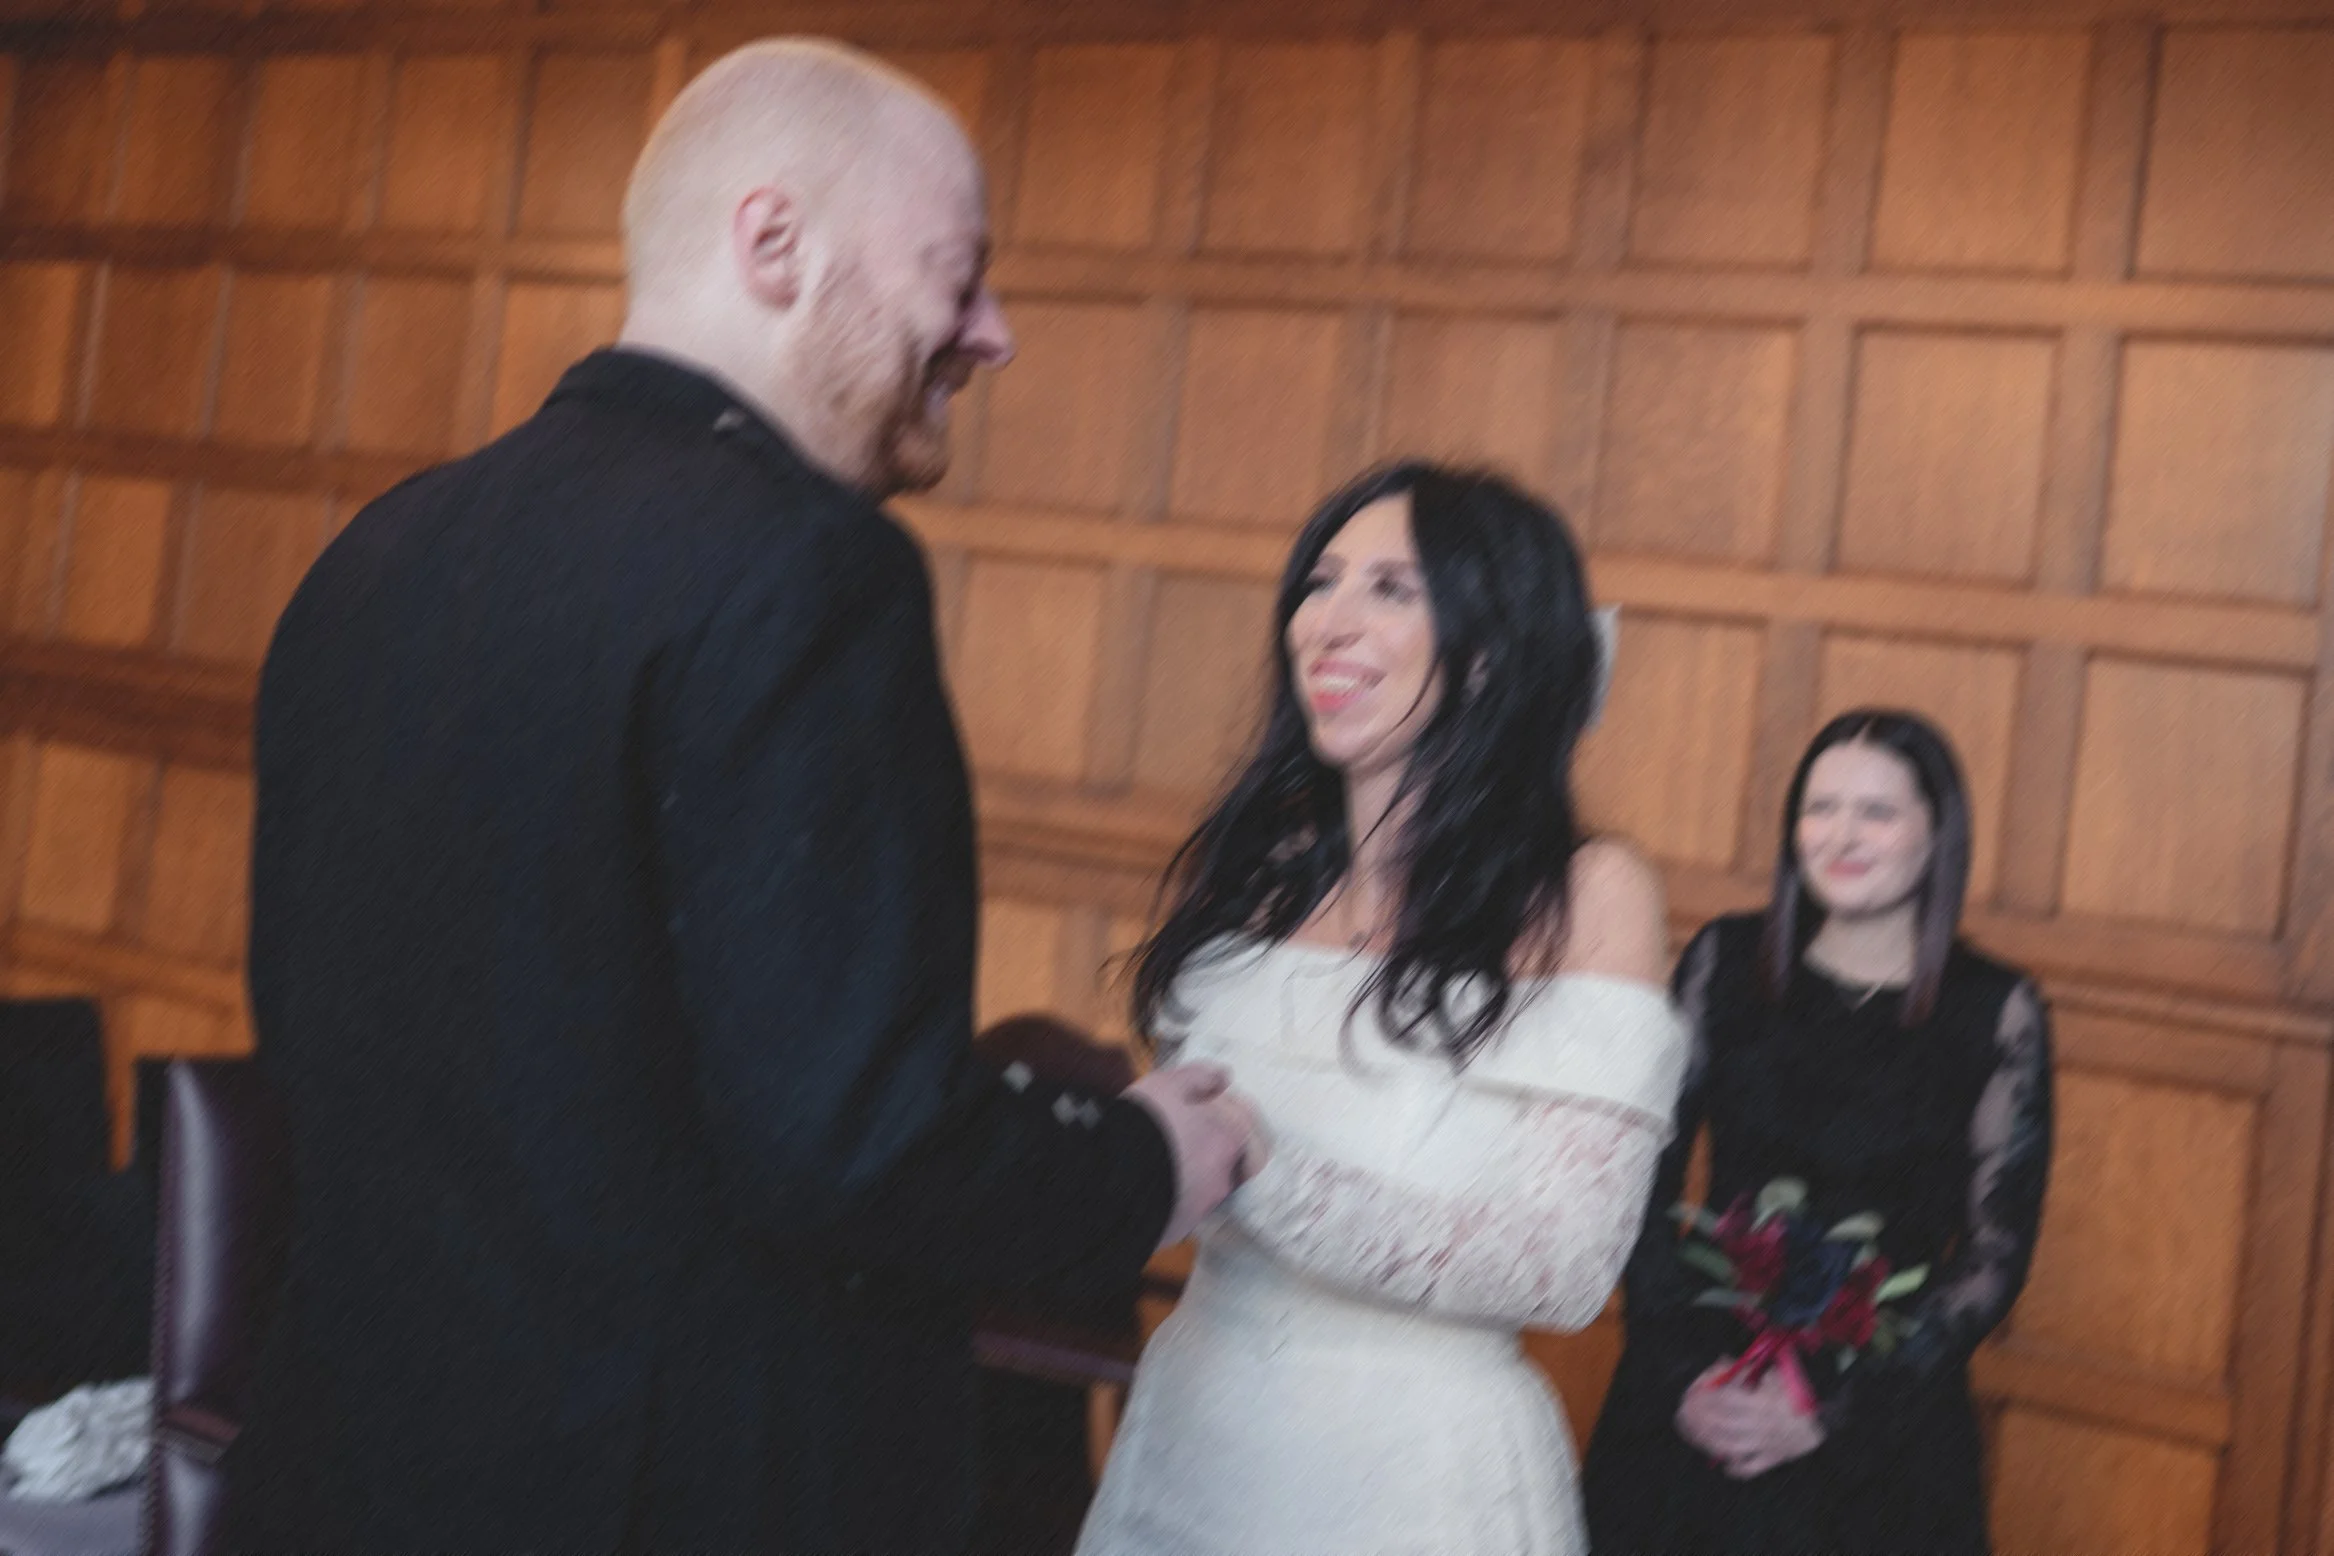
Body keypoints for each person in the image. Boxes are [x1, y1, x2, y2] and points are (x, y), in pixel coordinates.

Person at [224, 39, 1253, 1555]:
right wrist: (1140, 1164)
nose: (992, 333)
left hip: (350, 1469)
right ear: (774, 243)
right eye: (959, 273)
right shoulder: (807, 567)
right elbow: (853, 1142)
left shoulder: (376, 551)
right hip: (667, 1494)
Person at [1073, 462, 1689, 1556]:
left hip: (1418, 1474)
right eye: (1321, 582)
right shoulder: (1255, 878)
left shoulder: (1589, 894)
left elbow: (1565, 1266)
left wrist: (1264, 1167)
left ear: (1489, 650)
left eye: (1392, 589)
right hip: (1195, 1438)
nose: (1331, 619)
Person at [1582, 710, 2054, 1556]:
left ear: (1936, 834)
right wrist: (1685, 1375)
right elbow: (1637, 1179)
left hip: (1880, 1425)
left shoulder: (1993, 1009)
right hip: (1702, 1393)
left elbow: (1993, 1256)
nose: (1842, 835)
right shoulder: (1726, 961)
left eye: (1877, 812)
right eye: (1820, 808)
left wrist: (1827, 1412)